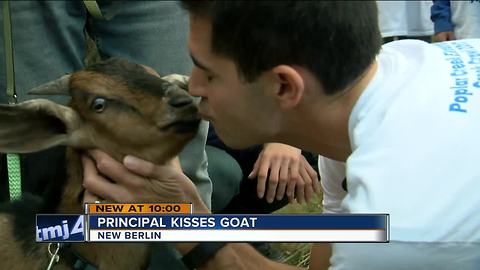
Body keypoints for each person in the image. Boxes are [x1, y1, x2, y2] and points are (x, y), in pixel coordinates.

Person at [82, 1, 480, 269]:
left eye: (208, 72)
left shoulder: (410, 225)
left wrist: (190, 227)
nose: (192, 86)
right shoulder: (389, 81)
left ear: (285, 87)